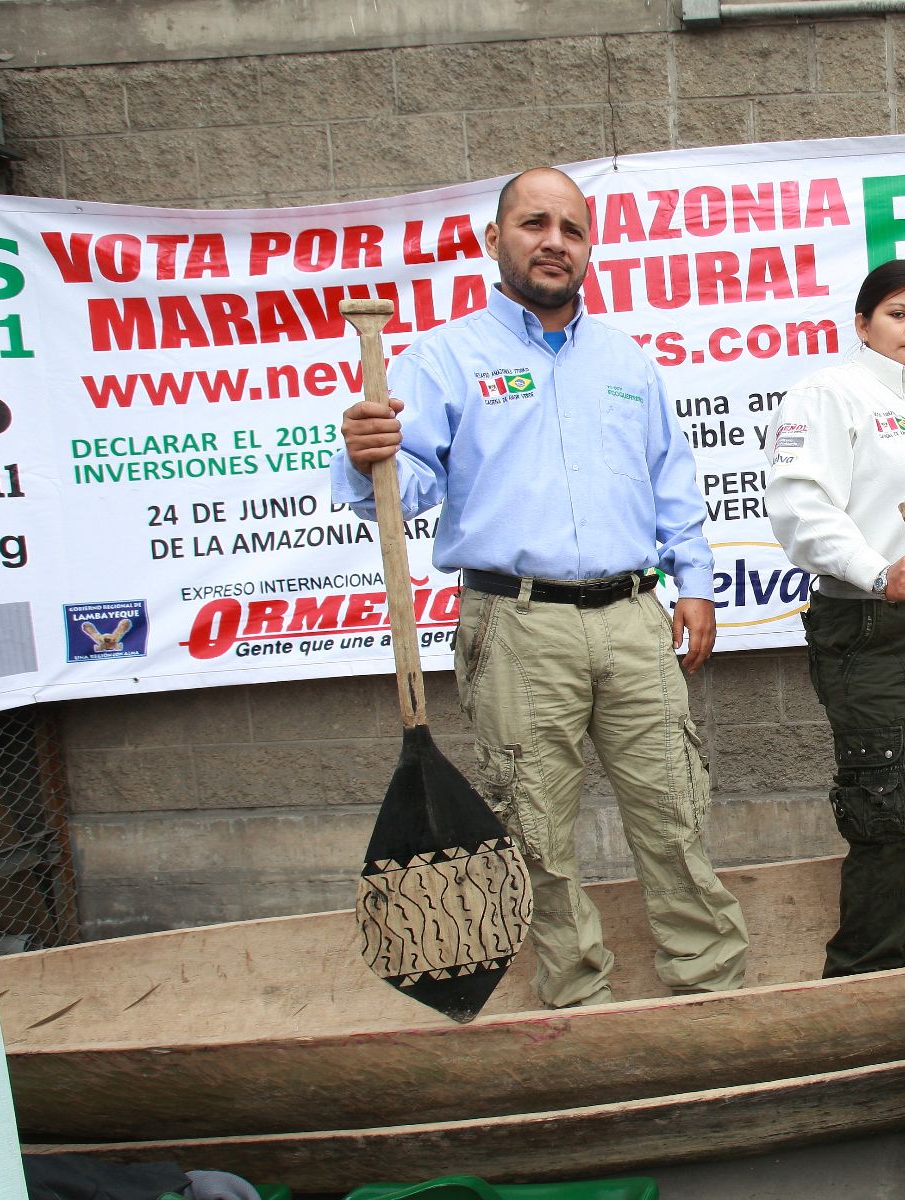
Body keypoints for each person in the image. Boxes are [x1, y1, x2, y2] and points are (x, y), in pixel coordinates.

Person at [332, 166, 748, 1007]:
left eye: (572, 228)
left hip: (636, 618)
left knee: (675, 811)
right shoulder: (445, 359)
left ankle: (712, 990)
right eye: (534, 223)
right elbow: (403, 486)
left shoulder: (627, 359)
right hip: (515, 626)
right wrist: (365, 448)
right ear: (496, 240)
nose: (554, 241)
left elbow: (670, 479)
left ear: (589, 247)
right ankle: (577, 996)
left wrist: (694, 583)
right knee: (536, 829)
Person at [765, 259, 905, 977]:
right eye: (899, 313)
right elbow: (800, 505)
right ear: (862, 323)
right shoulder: (831, 394)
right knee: (889, 801)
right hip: (872, 622)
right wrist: (877, 570)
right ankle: (865, 976)